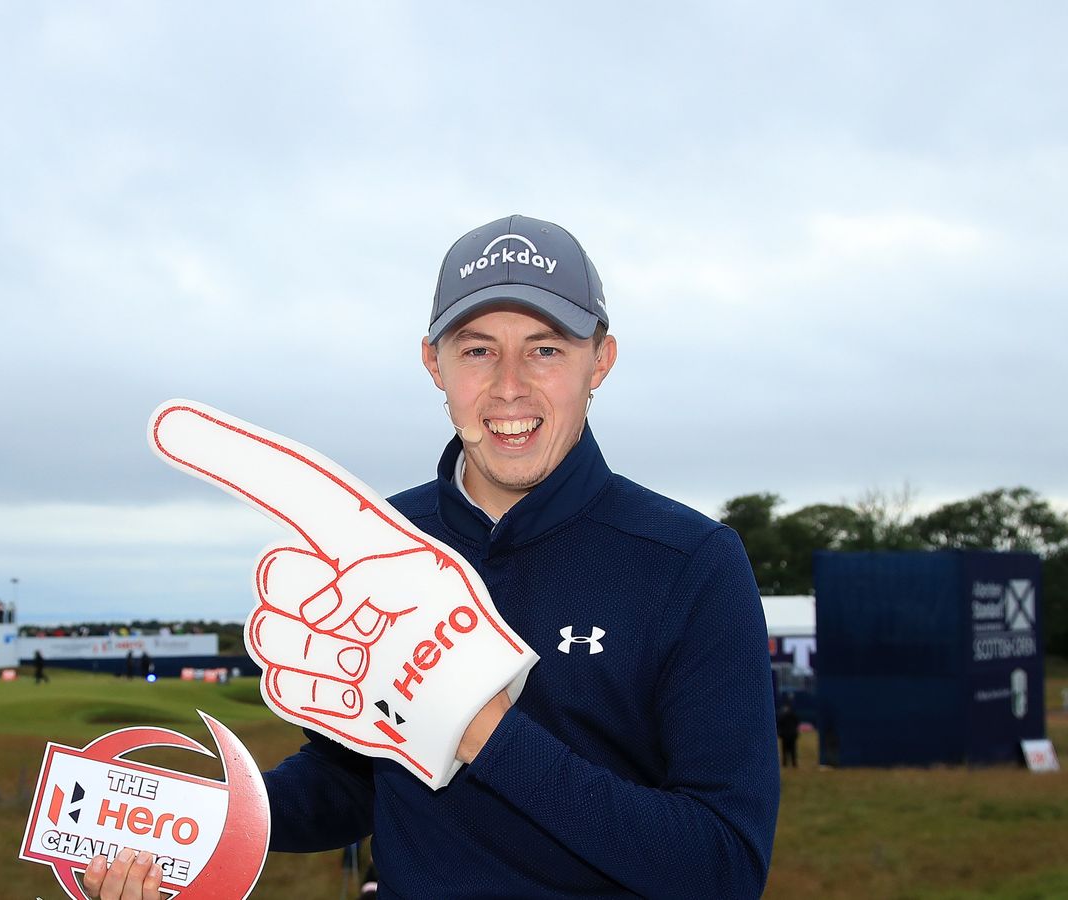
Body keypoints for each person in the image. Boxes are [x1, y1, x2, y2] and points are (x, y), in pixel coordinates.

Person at [85, 215, 780, 899]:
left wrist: (481, 731)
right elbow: (351, 782)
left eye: (546, 350)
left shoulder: (690, 562)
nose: (510, 386)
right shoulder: (376, 544)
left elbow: (723, 865)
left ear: (600, 358)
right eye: (477, 351)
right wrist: (189, 825)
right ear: (433, 363)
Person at [778, 698, 801, 768]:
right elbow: (797, 723)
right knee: (792, 750)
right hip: (792, 735)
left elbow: (780, 723)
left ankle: (785, 763)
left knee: (785, 750)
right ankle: (794, 763)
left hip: (785, 735)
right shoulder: (793, 715)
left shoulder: (783, 715)